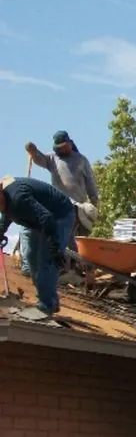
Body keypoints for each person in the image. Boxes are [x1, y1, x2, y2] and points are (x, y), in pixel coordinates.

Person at [20, 130, 100, 273]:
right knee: (60, 235)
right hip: (58, 204)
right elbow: (39, 159)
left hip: (78, 206)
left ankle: (75, 268)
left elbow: (90, 183)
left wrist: (94, 202)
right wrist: (33, 150)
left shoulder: (81, 160)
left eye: (64, 146)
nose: (62, 149)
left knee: (74, 238)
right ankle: (62, 267)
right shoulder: (53, 158)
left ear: (70, 143)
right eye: (59, 147)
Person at [0, 176, 77, 314]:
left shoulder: (19, 199)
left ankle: (47, 304)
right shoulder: (6, 200)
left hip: (59, 214)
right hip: (38, 219)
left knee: (46, 258)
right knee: (30, 257)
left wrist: (54, 247)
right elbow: (6, 214)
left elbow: (47, 219)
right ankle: (49, 299)